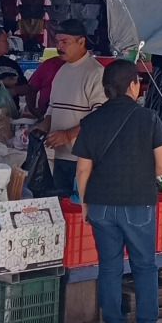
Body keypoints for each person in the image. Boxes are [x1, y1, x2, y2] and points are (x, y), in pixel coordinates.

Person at [73, 59, 162, 323]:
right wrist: (142, 177)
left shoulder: (91, 122)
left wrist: (85, 203)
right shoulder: (149, 118)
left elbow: (82, 171)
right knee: (144, 267)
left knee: (110, 268)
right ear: (133, 85)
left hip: (101, 203)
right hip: (138, 204)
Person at [35, 20, 107, 197]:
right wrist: (41, 127)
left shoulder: (96, 73)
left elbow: (100, 116)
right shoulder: (62, 71)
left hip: (83, 159)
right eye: (57, 41)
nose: (59, 46)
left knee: (81, 209)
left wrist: (68, 134)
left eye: (65, 42)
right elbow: (52, 109)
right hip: (60, 156)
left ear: (81, 42)